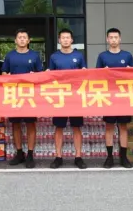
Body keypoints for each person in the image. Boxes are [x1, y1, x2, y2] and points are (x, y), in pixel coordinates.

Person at [1, 28, 43, 168]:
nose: (22, 39)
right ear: (15, 40)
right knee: (16, 124)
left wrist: (34, 76)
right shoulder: (10, 56)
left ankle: (30, 154)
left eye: (25, 37)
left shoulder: (35, 55)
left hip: (30, 95)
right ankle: (19, 153)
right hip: (14, 94)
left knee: (31, 124)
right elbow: (4, 73)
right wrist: (7, 76)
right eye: (20, 37)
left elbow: (41, 75)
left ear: (29, 40)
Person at [95, 27, 133, 169]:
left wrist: (129, 72)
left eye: (116, 37)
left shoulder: (127, 55)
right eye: (111, 37)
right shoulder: (102, 56)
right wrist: (103, 73)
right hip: (108, 96)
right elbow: (96, 76)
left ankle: (123, 157)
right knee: (109, 127)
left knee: (123, 126)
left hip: (123, 96)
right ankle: (109, 157)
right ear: (107, 39)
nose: (113, 40)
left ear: (120, 39)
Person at [47, 29, 87, 169]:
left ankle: (78, 156)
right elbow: (50, 76)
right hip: (60, 96)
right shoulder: (54, 57)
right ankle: (58, 157)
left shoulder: (79, 56)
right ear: (59, 40)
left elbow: (85, 75)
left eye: (67, 37)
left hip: (75, 96)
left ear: (71, 40)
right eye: (63, 38)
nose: (65, 40)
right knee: (59, 127)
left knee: (76, 126)